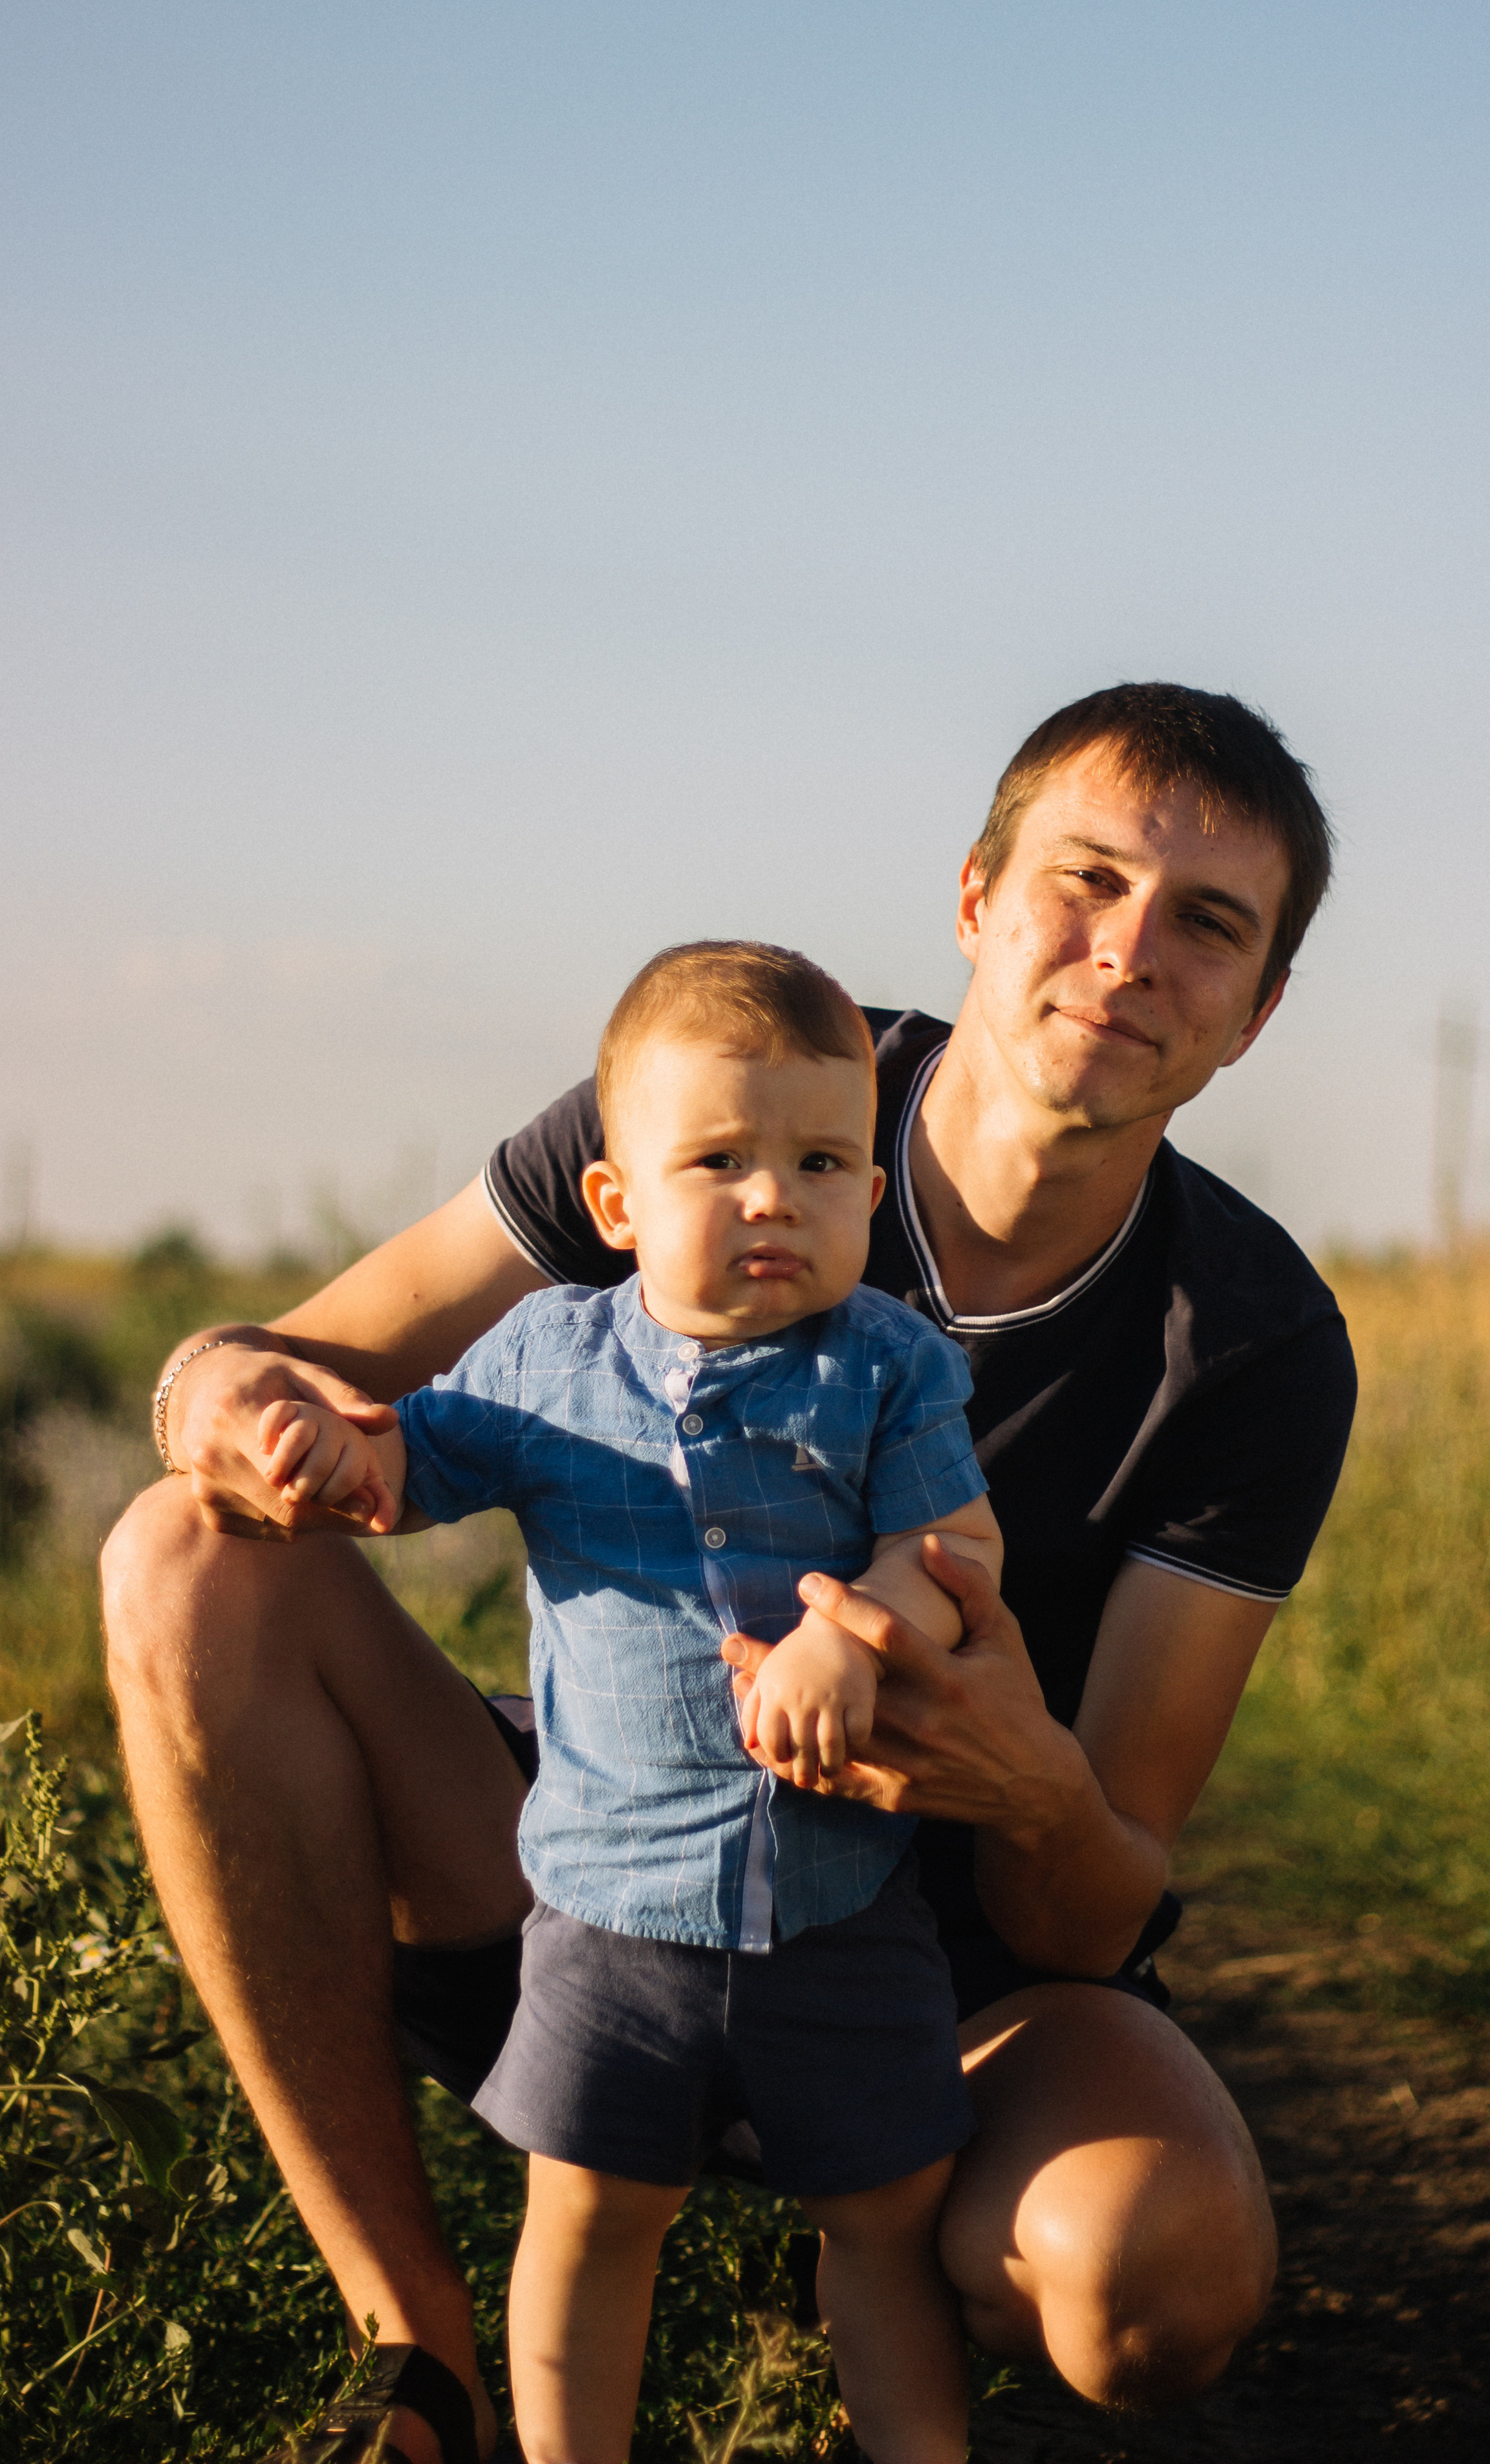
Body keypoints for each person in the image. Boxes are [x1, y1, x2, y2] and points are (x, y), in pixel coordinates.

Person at [101, 681, 1357, 2464]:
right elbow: (290, 1369)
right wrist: (213, 1399)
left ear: (1257, 1010)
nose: (1128, 953)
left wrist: (1020, 1778)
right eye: (1084, 880)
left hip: (953, 1968)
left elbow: (1096, 1904)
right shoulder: (711, 1087)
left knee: (1157, 2282)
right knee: (183, 1552)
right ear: (977, 899)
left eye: (1207, 924)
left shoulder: (1251, 1345)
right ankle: (417, 2356)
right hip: (595, 1863)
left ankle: (874, 2226)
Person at [256, 941, 1003, 2463]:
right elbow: (414, 1464)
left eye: (819, 1164)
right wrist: (344, 1457)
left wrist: (854, 1635)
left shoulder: (884, 1368)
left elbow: (953, 1549)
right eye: (716, 1161)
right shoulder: (547, 1359)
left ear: (870, 1195)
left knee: (883, 2224)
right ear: (615, 1204)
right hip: (609, 1915)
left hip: (841, 1910)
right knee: (593, 2220)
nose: (771, 1198)